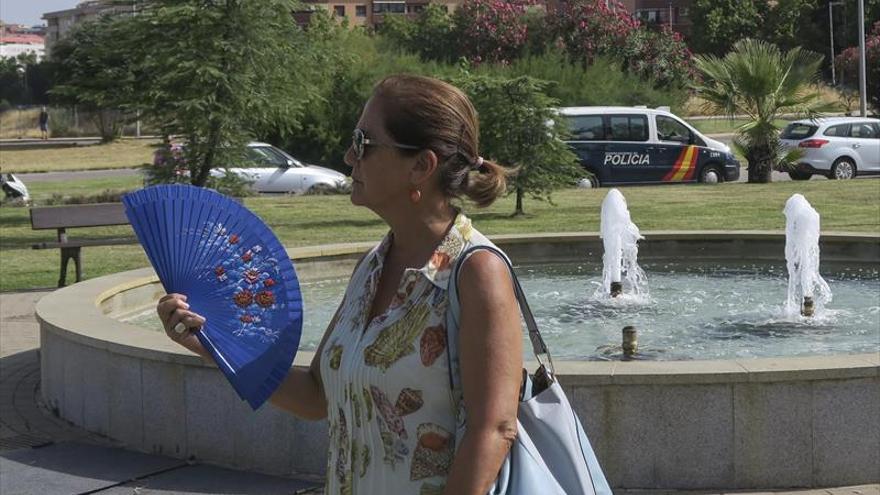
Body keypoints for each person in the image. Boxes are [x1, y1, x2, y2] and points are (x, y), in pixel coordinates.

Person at [157, 74, 523, 495]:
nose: (350, 156)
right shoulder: (371, 267)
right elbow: (316, 397)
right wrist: (211, 345)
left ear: (421, 166)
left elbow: (493, 429)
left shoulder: (476, 272)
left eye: (364, 143)